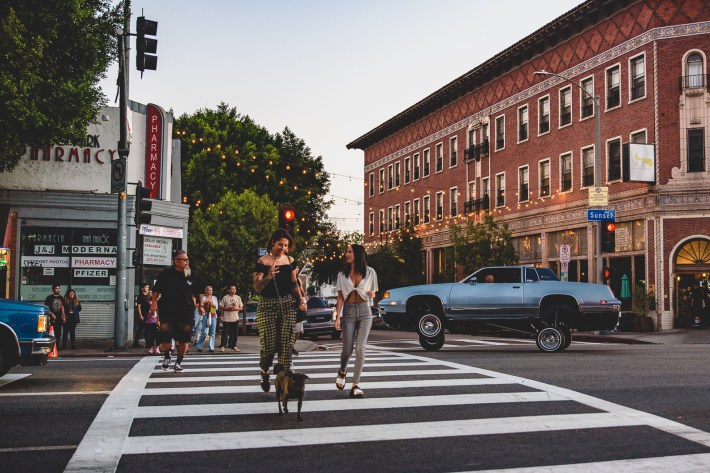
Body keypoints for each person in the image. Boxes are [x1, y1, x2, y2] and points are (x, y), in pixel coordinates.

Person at [253, 228, 305, 392]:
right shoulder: (262, 262)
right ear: (272, 243)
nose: (283, 248)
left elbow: (294, 284)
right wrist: (269, 276)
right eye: (280, 245)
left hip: (288, 305)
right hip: (267, 306)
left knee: (286, 346)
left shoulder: (290, 261)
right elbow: (257, 288)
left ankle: (283, 383)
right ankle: (264, 371)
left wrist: (300, 300)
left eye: (286, 245)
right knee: (269, 347)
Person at [334, 244, 378, 398]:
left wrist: (372, 294)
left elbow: (373, 293)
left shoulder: (370, 272)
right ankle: (342, 369)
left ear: (358, 254)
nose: (347, 254)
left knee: (360, 348)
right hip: (349, 311)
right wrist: (337, 316)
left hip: (365, 311)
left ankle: (355, 384)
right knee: (347, 350)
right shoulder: (342, 274)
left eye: (350, 252)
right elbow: (340, 296)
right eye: (347, 252)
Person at [151, 250, 197, 372]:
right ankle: (167, 355)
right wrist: (154, 304)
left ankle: (179, 362)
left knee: (184, 339)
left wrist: (201, 304)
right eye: (184, 259)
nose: (187, 261)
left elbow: (195, 290)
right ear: (176, 261)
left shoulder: (189, 273)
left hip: (186, 311)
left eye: (187, 259)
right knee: (165, 337)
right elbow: (156, 291)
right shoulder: (166, 274)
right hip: (168, 310)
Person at [219, 284, 243, 352]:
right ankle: (223, 346)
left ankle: (234, 346)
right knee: (225, 333)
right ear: (229, 290)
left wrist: (236, 308)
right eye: (232, 289)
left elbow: (241, 308)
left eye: (235, 289)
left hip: (235, 318)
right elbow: (221, 307)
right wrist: (227, 308)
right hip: (227, 318)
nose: (234, 290)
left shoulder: (238, 297)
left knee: (235, 333)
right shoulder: (225, 297)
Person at [196, 286, 219, 352]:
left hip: (212, 314)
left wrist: (212, 304)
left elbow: (216, 307)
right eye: (209, 290)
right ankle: (199, 346)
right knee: (204, 332)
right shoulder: (203, 297)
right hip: (205, 314)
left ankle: (211, 347)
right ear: (206, 291)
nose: (210, 292)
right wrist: (204, 302)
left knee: (212, 332)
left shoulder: (214, 298)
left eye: (211, 290)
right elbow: (199, 306)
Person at [44, 284, 65, 350]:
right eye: (56, 288)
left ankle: (57, 346)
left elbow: (62, 307)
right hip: (51, 318)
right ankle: (51, 346)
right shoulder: (49, 298)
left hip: (59, 317)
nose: (58, 290)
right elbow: (46, 307)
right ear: (53, 290)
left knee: (58, 332)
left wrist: (63, 315)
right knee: (51, 332)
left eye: (58, 288)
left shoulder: (61, 297)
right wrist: (52, 314)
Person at [135, 283, 151, 349]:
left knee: (145, 329)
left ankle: (147, 343)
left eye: (148, 287)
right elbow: (138, 306)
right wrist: (140, 315)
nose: (147, 288)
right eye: (146, 287)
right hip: (143, 315)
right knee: (141, 329)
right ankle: (136, 343)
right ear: (142, 289)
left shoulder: (147, 296)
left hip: (147, 315)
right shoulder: (140, 297)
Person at [144, 289, 160, 354]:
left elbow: (159, 312)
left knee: (157, 335)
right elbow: (144, 311)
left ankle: (157, 347)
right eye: (149, 293)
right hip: (149, 321)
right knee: (151, 335)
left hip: (155, 320)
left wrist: (159, 320)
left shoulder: (157, 302)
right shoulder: (146, 302)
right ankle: (151, 347)